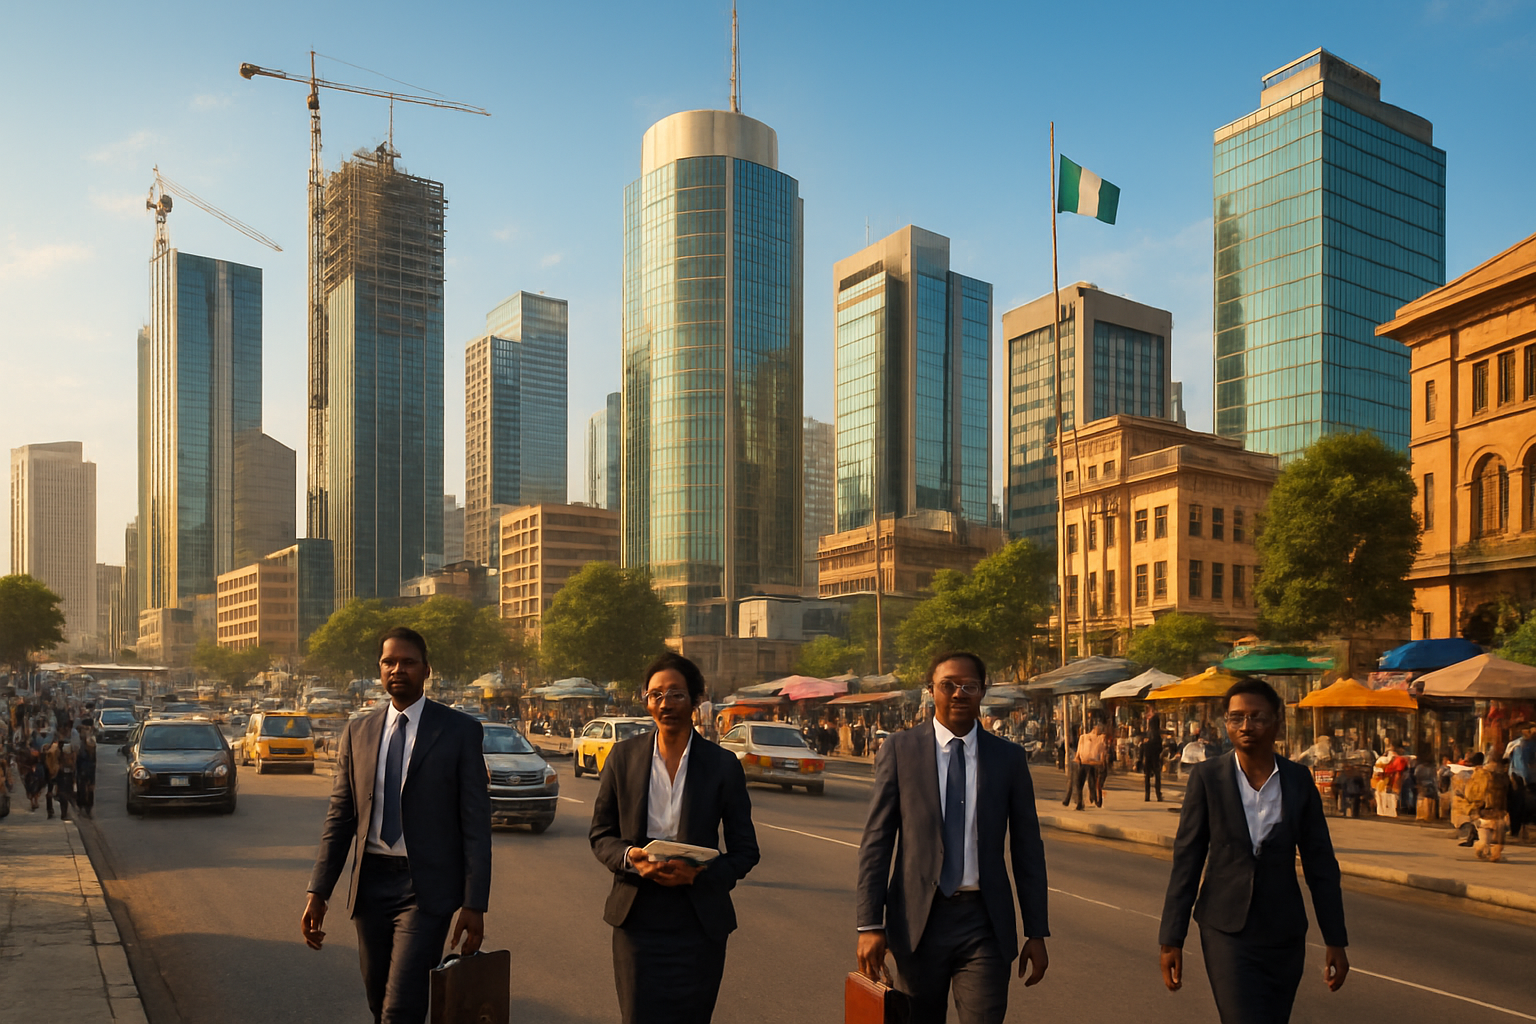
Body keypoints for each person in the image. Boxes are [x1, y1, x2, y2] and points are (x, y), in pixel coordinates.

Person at [303, 627, 492, 1024]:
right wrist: (319, 891)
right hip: (370, 886)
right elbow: (340, 818)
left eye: (408, 662)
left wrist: (474, 903)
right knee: (378, 999)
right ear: (379, 670)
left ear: (426, 670)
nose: (397, 669)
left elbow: (475, 822)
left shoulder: (459, 731)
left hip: (424, 890)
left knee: (400, 1007)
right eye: (389, 662)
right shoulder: (359, 732)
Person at [856, 650, 1049, 1024]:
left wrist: (1036, 931)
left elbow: (1027, 848)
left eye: (969, 685)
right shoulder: (900, 750)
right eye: (948, 685)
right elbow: (876, 843)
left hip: (985, 925)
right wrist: (869, 925)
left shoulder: (1008, 758)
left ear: (982, 691)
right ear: (931, 690)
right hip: (918, 925)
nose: (959, 693)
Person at [1158, 678, 1349, 1024]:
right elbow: (1187, 861)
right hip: (1225, 929)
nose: (1246, 726)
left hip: (1283, 931)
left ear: (1276, 721)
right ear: (1226, 723)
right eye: (1236, 718)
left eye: (1257, 717)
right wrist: (1172, 938)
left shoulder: (1298, 780)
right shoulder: (1207, 778)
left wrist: (1336, 939)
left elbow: (1320, 864)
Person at [589, 652, 759, 1024]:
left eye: (676, 694)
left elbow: (745, 851)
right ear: (647, 701)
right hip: (637, 919)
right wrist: (632, 856)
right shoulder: (622, 758)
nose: (665, 704)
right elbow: (601, 835)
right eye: (656, 695)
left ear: (695, 699)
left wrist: (699, 873)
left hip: (698, 922)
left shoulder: (722, 766)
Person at [1466, 752, 1511, 863]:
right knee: (1489, 842)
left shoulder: (1499, 777)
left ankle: (1490, 853)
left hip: (1492, 813)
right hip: (1487, 813)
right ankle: (1485, 850)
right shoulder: (1486, 776)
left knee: (1494, 842)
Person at [44, 720, 76, 821]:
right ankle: (55, 811)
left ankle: (57, 812)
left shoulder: (61, 742)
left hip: (59, 772)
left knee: (61, 793)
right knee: (60, 793)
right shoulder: (57, 743)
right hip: (57, 772)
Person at [74, 721, 97, 818]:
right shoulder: (78, 745)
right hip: (81, 770)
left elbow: (94, 762)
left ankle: (88, 809)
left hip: (89, 770)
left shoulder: (91, 743)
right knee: (81, 790)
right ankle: (81, 808)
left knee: (90, 790)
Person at [1138, 721, 1164, 802]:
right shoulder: (1158, 736)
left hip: (1147, 758)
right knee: (1157, 777)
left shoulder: (1146, 735)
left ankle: (1147, 795)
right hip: (1155, 759)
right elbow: (1160, 748)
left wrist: (1140, 759)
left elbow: (1142, 747)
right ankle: (1158, 795)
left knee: (1147, 777)